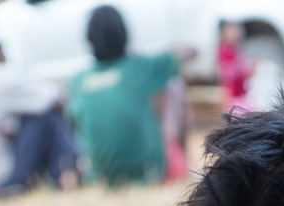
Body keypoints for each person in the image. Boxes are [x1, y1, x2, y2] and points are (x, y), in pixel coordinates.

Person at [66, 5, 194, 187]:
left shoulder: (77, 81)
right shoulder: (141, 66)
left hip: (100, 178)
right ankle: (179, 161)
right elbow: (188, 52)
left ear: (89, 39)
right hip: (149, 172)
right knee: (173, 86)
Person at [0, 39, 79, 199]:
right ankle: (68, 173)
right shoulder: (1, 75)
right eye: (1, 49)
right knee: (45, 115)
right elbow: (57, 100)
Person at [216, 20, 255, 113]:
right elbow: (224, 72)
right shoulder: (224, 49)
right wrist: (242, 69)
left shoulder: (237, 48)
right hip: (233, 98)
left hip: (243, 94)